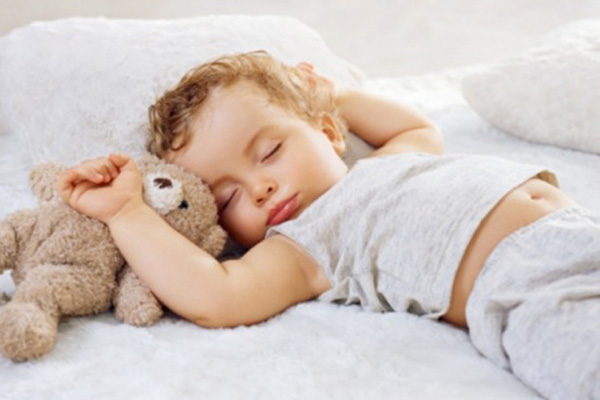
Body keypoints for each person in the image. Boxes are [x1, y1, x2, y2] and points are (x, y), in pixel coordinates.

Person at [57, 51, 599, 400]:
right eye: (228, 197)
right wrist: (126, 212)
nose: (260, 188)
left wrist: (333, 96)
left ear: (329, 133)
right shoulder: (305, 245)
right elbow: (216, 295)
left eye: (270, 151)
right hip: (522, 290)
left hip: (579, 230)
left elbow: (417, 128)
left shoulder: (385, 164)